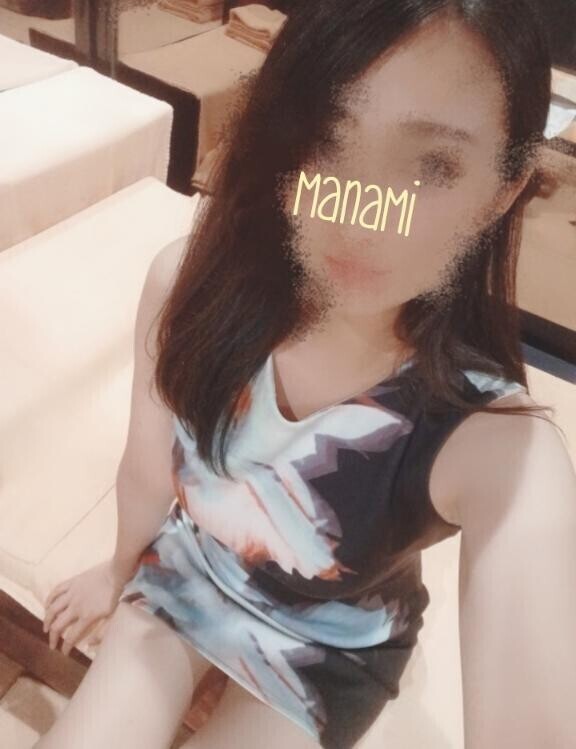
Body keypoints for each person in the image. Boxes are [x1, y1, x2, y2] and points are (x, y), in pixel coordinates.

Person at [36, 1, 576, 748]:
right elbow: (147, 466)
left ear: (501, 192)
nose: (364, 212)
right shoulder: (189, 288)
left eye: (432, 165)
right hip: (191, 568)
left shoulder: (497, 446)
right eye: (327, 137)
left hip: (335, 641)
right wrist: (116, 570)